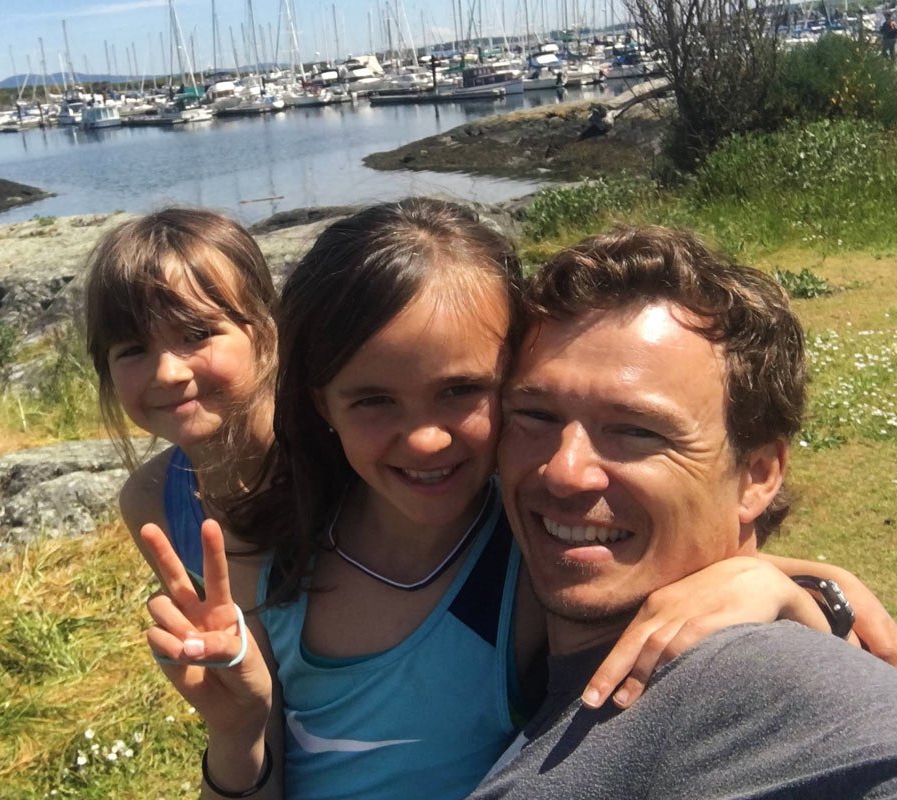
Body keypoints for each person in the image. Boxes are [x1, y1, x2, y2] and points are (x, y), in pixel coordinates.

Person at [135, 201, 895, 800]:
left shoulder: (533, 557)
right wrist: (237, 735)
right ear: (321, 406)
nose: (426, 440)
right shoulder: (275, 555)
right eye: (373, 401)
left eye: (464, 392)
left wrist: (793, 589)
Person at [468, 226, 897, 799]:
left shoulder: (766, 679)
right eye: (535, 414)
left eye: (636, 431)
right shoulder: (482, 588)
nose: (565, 471)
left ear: (759, 475)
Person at [83, 208, 278, 582]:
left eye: (197, 333)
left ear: (266, 333)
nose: (168, 373)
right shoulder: (150, 502)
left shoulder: (341, 460)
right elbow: (201, 622)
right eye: (133, 350)